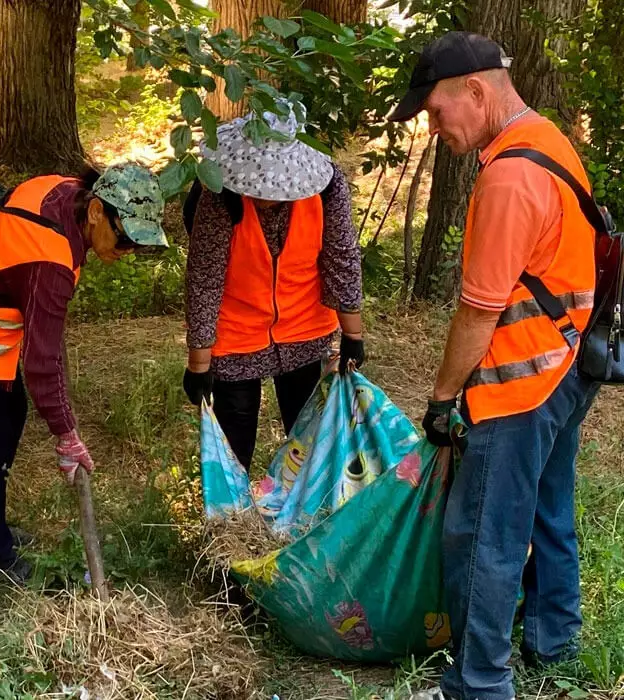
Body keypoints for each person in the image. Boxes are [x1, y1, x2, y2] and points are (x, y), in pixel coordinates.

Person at [389, 33, 600, 700]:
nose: (433, 127)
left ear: (476, 93)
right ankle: (553, 642)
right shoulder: (548, 141)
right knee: (547, 510)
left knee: (481, 534)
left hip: (519, 384)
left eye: (434, 111)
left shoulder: (508, 176)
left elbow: (479, 313)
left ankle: (477, 684)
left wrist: (442, 398)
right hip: (568, 364)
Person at [0, 163, 168, 583]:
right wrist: (67, 434)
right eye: (125, 238)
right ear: (98, 211)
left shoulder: (62, 189)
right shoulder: (51, 259)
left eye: (139, 244)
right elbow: (42, 361)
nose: (127, 250)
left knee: (9, 415)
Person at [181, 107, 365, 468]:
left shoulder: (328, 187)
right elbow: (204, 279)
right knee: (236, 435)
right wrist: (199, 365)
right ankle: (234, 518)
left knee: (308, 432)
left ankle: (302, 513)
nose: (266, 193)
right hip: (237, 331)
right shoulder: (219, 193)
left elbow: (341, 258)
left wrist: (353, 333)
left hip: (304, 325)